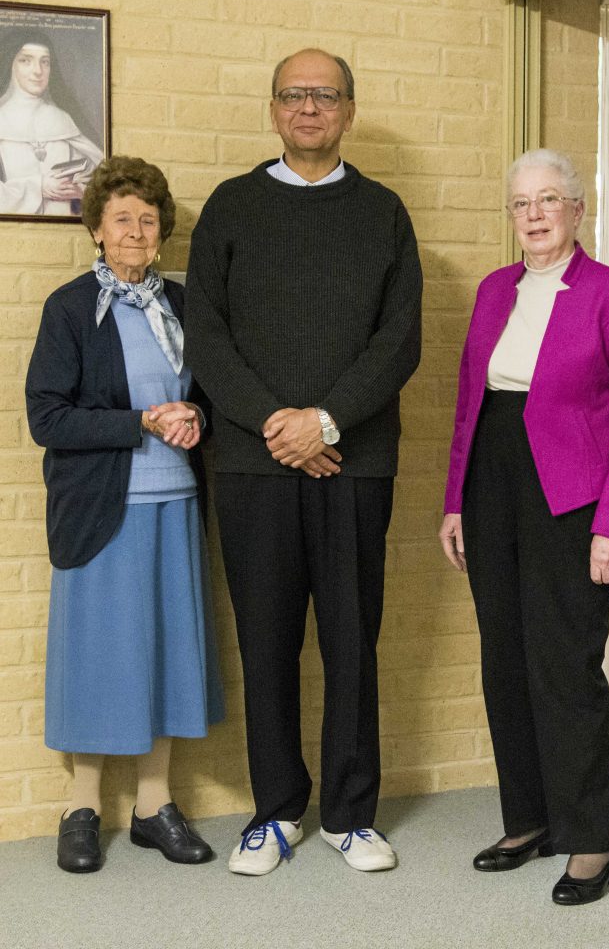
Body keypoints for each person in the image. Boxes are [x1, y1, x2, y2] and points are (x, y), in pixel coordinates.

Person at [184, 48, 422, 875]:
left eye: (325, 95)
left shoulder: (384, 212)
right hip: (252, 468)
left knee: (353, 639)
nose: (309, 108)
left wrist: (323, 422)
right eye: (294, 94)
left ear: (349, 111)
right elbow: (206, 337)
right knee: (268, 638)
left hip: (356, 463)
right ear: (274, 109)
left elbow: (399, 341)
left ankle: (351, 814)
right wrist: (276, 427)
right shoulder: (231, 207)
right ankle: (277, 811)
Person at [439, 148, 609, 905]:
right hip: (492, 481)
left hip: (573, 496)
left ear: (576, 209)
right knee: (504, 655)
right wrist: (454, 501)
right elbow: (471, 404)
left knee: (564, 664)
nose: (533, 215)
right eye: (520, 204)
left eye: (548, 200)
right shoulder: (495, 290)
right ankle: (530, 818)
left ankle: (592, 838)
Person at [26, 156, 224, 873]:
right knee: (98, 659)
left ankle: (152, 807)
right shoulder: (72, 308)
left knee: (167, 654)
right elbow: (47, 418)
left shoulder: (183, 304)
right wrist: (139, 421)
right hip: (101, 512)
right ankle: (82, 809)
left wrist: (195, 416)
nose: (136, 230)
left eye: (147, 219)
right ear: (97, 231)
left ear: (162, 231)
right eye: (122, 219)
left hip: (175, 504)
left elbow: (210, 395)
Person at [0, 28, 103, 216]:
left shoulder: (63, 119)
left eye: (45, 62)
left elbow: (104, 180)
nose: (38, 71)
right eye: (26, 60)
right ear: (10, 64)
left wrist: (82, 191)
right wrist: (38, 186)